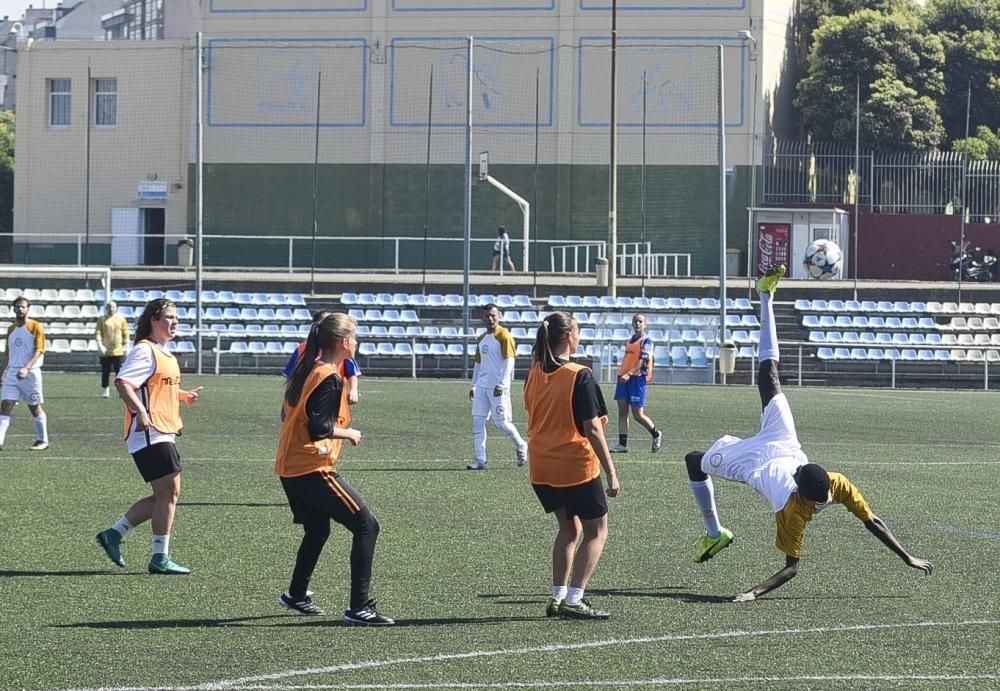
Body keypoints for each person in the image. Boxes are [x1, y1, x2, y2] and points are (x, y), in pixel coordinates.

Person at [684, 265, 933, 602]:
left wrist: (752, 593)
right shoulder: (837, 483)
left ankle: (715, 534)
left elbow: (792, 568)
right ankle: (765, 294)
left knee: (694, 461)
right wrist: (907, 557)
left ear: (801, 489)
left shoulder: (792, 511)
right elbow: (872, 520)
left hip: (752, 465)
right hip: (784, 443)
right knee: (769, 375)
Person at [274, 313, 393, 625]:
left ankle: (296, 594)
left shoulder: (309, 368)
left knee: (318, 530)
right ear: (343, 342)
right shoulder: (330, 376)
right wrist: (348, 433)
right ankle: (360, 607)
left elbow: (287, 413)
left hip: (289, 466)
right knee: (367, 525)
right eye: (354, 337)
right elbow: (320, 426)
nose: (356, 342)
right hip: (310, 466)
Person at [95, 298, 204, 575]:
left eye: (176, 317)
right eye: (169, 317)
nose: (175, 321)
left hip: (163, 429)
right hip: (150, 432)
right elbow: (124, 383)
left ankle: (114, 534)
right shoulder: (145, 350)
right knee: (169, 492)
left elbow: (155, 386)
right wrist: (140, 411)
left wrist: (182, 395)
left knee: (164, 495)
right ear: (154, 320)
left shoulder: (162, 351)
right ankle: (159, 557)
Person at [524, 311, 620, 619]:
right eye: (577, 332)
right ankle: (575, 598)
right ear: (569, 337)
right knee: (597, 531)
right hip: (574, 466)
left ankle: (557, 596)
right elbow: (592, 428)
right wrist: (611, 471)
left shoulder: (534, 371)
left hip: (541, 467)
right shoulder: (580, 374)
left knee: (568, 528)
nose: (579, 337)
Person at [467, 303, 528, 470]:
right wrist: (474, 386)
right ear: (483, 318)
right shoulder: (481, 339)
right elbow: (478, 364)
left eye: (493, 315)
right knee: (478, 421)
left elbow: (510, 361)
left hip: (498, 388)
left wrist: (503, 384)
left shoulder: (504, 336)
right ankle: (481, 460)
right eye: (487, 316)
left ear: (499, 316)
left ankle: (522, 445)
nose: (490, 318)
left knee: (501, 423)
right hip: (482, 387)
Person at [0, 295, 49, 451]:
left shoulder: (36, 326)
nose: (20, 309)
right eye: (17, 306)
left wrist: (26, 368)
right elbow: (7, 354)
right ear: (13, 309)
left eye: (23, 306)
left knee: (34, 406)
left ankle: (43, 440)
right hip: (13, 373)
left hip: (30, 373)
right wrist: (1, 373)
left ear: (28, 309)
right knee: (6, 404)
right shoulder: (11, 329)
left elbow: (39, 350)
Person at [610, 313, 662, 454]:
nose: (637, 324)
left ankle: (656, 434)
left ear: (645, 325)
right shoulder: (629, 341)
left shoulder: (647, 341)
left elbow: (643, 361)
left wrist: (629, 373)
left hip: (636, 378)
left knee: (637, 415)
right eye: (635, 321)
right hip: (623, 379)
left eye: (640, 321)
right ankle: (622, 444)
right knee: (622, 412)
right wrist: (623, 374)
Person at [283, 311, 361, 404]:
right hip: (318, 401)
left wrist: (353, 390)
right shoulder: (327, 377)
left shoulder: (340, 358)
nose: (356, 342)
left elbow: (352, 374)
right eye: (353, 337)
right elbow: (291, 378)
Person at [95, 300, 130, 398]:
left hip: (118, 351)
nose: (111, 309)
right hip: (105, 351)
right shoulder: (102, 320)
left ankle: (121, 391)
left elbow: (125, 332)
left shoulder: (121, 319)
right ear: (106, 308)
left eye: (113, 307)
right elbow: (98, 332)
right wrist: (100, 345)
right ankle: (105, 390)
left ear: (116, 308)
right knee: (105, 371)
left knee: (119, 372)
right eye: (109, 307)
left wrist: (126, 344)